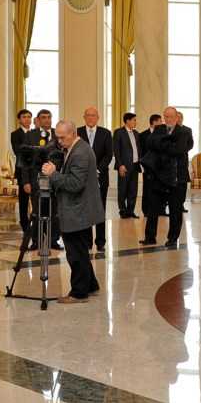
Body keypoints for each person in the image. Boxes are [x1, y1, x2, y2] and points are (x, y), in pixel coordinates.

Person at [42, 120, 104, 304]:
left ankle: (79, 293)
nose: (59, 141)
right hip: (80, 208)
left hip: (77, 210)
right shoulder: (79, 148)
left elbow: (75, 184)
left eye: (62, 137)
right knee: (80, 250)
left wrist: (53, 174)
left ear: (73, 133)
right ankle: (91, 285)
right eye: (57, 137)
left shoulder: (80, 153)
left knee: (75, 253)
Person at [139, 106, 189, 247]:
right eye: (166, 117)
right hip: (159, 176)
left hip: (176, 177)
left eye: (171, 117)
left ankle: (172, 239)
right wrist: (167, 141)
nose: (168, 119)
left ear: (176, 117)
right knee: (153, 208)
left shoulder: (183, 131)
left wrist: (160, 146)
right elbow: (149, 143)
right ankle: (150, 237)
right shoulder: (159, 129)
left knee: (175, 210)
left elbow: (179, 150)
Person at [21, 109, 62, 250]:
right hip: (35, 180)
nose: (47, 120)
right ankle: (37, 240)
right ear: (38, 120)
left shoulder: (57, 135)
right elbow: (25, 160)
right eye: (43, 118)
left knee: (54, 211)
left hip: (55, 180)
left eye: (49, 117)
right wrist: (26, 181)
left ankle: (53, 240)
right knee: (37, 212)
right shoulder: (31, 135)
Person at [77, 107, 113, 252]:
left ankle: (100, 241)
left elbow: (108, 154)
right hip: (82, 178)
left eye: (93, 115)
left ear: (98, 117)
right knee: (85, 210)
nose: (90, 118)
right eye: (88, 115)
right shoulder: (77, 133)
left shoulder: (105, 133)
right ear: (84, 117)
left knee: (100, 210)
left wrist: (97, 170)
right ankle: (87, 242)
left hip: (101, 177)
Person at [113, 112, 142, 218]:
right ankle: (122, 210)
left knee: (133, 190)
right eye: (134, 120)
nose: (136, 122)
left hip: (135, 165)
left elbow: (138, 149)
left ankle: (131, 210)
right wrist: (120, 165)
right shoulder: (118, 132)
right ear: (128, 121)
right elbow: (116, 150)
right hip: (124, 166)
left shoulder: (136, 133)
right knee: (122, 189)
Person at [10, 108, 32, 232]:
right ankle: (24, 223)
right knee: (23, 198)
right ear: (19, 120)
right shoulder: (15, 134)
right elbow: (18, 151)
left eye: (28, 117)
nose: (27, 119)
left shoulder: (35, 133)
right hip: (22, 169)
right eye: (24, 117)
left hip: (34, 171)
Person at [140, 113, 162, 217]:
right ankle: (146, 210)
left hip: (160, 167)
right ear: (154, 122)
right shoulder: (143, 135)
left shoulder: (162, 134)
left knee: (159, 189)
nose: (161, 123)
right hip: (148, 166)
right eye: (160, 121)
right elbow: (141, 151)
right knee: (147, 188)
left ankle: (160, 210)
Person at [175, 111, 194, 213]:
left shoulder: (187, 130)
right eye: (178, 116)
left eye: (181, 117)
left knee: (182, 185)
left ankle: (181, 204)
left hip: (182, 161)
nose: (180, 118)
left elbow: (191, 144)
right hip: (171, 162)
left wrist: (182, 150)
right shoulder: (169, 129)